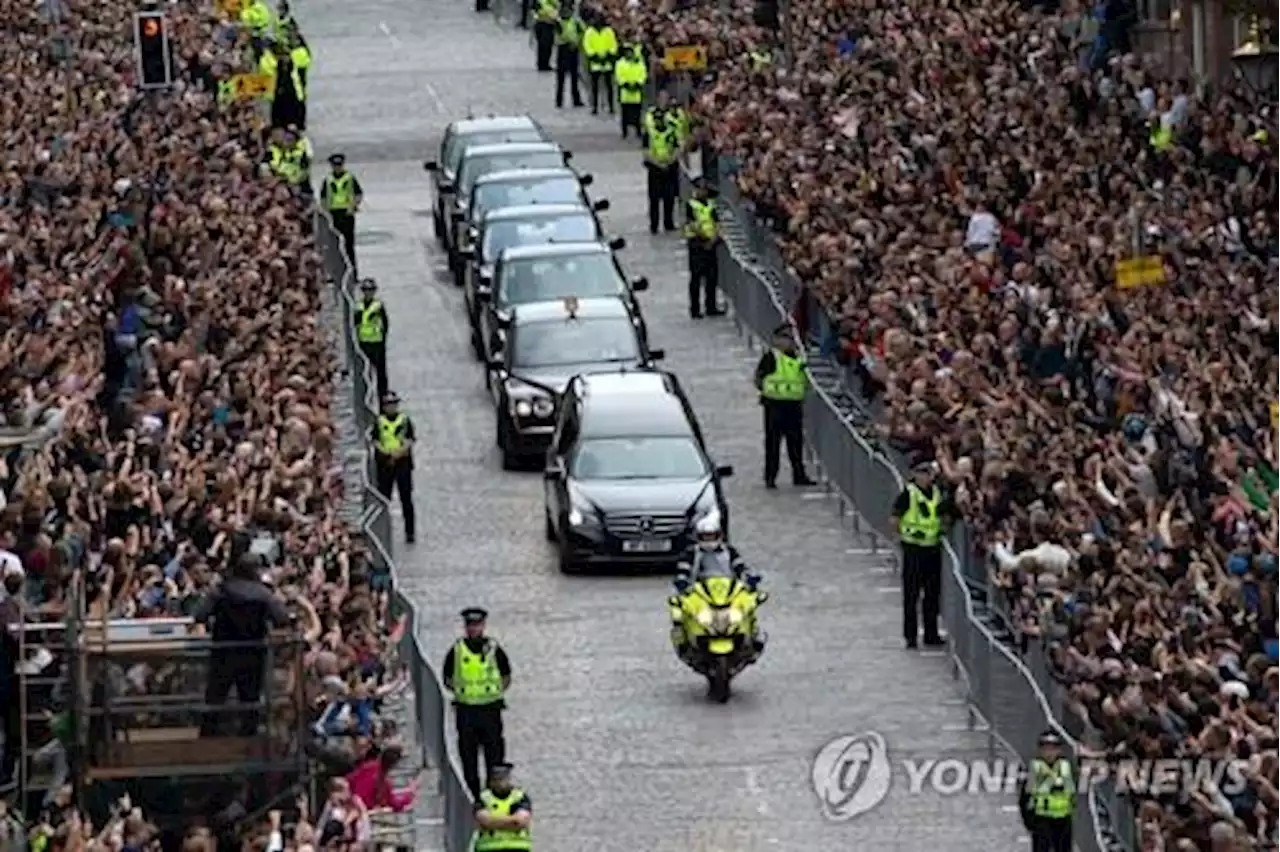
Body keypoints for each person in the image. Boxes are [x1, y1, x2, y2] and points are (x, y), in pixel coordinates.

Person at [194, 553, 292, 736]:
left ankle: (207, 738)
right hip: (252, 653)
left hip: (222, 652)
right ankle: (248, 740)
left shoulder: (221, 590)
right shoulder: (264, 594)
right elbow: (282, 618)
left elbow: (200, 614)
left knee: (215, 697)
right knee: (250, 700)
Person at [442, 608, 512, 801]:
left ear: (483, 626)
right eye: (470, 625)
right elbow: (447, 678)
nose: (473, 629)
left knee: (495, 757)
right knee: (468, 757)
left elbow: (506, 675)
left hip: (491, 710)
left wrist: (492, 693)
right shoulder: (456, 651)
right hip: (466, 712)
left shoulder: (494, 649)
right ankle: (473, 798)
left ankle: (494, 796)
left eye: (477, 625)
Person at [889, 462, 952, 649]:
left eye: (927, 473)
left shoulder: (937, 493)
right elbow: (894, 518)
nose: (925, 477)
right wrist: (900, 537)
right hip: (913, 549)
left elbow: (943, 515)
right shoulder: (909, 494)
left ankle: (931, 634)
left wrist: (943, 529)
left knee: (932, 594)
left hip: (932, 548)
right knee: (911, 595)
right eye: (921, 473)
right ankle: (910, 636)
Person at [753, 325, 814, 489]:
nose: (789, 342)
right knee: (773, 443)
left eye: (791, 339)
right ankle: (770, 477)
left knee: (795, 442)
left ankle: (799, 475)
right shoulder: (771, 357)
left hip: (793, 405)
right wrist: (768, 391)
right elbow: (758, 378)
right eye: (785, 338)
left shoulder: (799, 358)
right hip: (774, 406)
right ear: (777, 340)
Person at [370, 391, 417, 544]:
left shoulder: (405, 420)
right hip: (385, 464)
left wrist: (399, 452)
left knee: (406, 499)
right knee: (384, 499)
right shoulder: (379, 421)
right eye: (388, 404)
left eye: (393, 404)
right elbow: (375, 441)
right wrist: (386, 453)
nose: (391, 407)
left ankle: (410, 532)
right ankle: (383, 531)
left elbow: (410, 440)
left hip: (403, 464)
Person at [1020, 730, 1075, 852]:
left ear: (1059, 750)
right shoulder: (1033, 769)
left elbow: (1071, 792)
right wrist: (1029, 821)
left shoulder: (1066, 766)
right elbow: (1025, 797)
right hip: (1042, 818)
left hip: (1063, 819)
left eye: (1053, 749)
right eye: (1046, 749)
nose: (1049, 753)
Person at [641, 90, 681, 233]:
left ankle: (668, 223)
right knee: (654, 199)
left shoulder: (671, 130)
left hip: (669, 166)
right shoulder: (650, 133)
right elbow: (645, 152)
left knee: (669, 197)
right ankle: (654, 225)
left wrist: (670, 161)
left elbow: (677, 147)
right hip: (655, 167)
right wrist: (658, 163)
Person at [683, 177, 722, 319]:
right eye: (699, 189)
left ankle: (711, 306)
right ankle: (695, 309)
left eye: (704, 189)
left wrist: (715, 238)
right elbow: (692, 224)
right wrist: (705, 238)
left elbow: (717, 222)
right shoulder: (691, 205)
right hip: (697, 244)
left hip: (711, 244)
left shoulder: (711, 204)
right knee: (696, 277)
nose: (702, 191)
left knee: (712, 276)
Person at [321, 153, 363, 278]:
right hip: (333, 214)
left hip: (347, 214)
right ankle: (335, 274)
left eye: (339, 165)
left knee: (349, 245)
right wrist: (325, 212)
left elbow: (358, 194)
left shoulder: (350, 178)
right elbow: (323, 198)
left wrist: (353, 206)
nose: (337, 167)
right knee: (333, 246)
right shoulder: (328, 180)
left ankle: (353, 274)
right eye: (335, 165)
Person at [472, 763, 531, 852]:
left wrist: (494, 821)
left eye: (502, 779)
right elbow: (485, 821)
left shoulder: (519, 797)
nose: (499, 783)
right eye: (496, 779)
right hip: (489, 848)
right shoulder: (483, 798)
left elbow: (520, 821)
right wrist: (511, 821)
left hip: (517, 847)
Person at [355, 278, 389, 399]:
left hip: (377, 343)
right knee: (364, 373)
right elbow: (355, 324)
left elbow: (385, 324)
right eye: (365, 290)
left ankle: (383, 400)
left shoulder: (378, 306)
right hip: (363, 343)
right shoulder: (358, 306)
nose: (368, 292)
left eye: (370, 290)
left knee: (381, 374)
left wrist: (383, 339)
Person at [581, 12, 617, 115]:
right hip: (595, 62)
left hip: (607, 62)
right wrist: (593, 55)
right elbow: (587, 45)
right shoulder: (590, 32)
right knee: (594, 86)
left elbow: (613, 44)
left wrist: (609, 54)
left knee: (609, 86)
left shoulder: (608, 31)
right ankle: (595, 107)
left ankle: (611, 106)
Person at [553, 0, 584, 109]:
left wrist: (577, 42)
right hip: (563, 48)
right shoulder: (558, 22)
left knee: (574, 76)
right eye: (564, 10)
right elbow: (559, 34)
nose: (566, 12)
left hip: (573, 49)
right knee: (561, 76)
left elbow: (582, 31)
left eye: (568, 10)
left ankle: (576, 99)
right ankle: (559, 100)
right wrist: (568, 41)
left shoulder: (575, 21)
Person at [613, 43, 646, 140]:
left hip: (636, 93)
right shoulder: (620, 63)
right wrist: (626, 84)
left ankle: (638, 131)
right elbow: (619, 75)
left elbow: (642, 74)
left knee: (637, 114)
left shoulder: (639, 63)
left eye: (630, 52)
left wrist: (638, 83)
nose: (629, 54)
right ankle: (624, 132)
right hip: (625, 93)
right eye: (627, 52)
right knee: (625, 114)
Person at [532, 0, 558, 71]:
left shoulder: (553, 2)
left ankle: (544, 63)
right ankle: (542, 64)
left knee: (547, 45)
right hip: (543, 24)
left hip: (549, 24)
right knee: (544, 45)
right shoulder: (541, 2)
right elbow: (537, 12)